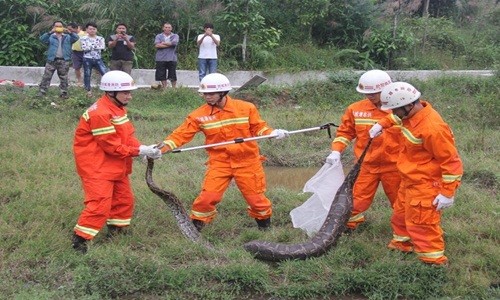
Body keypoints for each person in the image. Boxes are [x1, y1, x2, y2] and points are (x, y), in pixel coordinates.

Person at [158, 73, 290, 231]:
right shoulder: (198, 116)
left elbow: (258, 128)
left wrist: (273, 133)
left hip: (247, 161)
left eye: (211, 94)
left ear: (223, 92)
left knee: (256, 200)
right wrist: (162, 147)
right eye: (205, 94)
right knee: (207, 198)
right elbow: (180, 135)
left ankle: (265, 230)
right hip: (219, 162)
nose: (207, 97)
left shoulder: (246, 108)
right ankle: (195, 230)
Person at [369, 82, 463, 265]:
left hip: (426, 185)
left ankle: (432, 263)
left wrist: (447, 192)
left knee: (422, 225)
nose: (392, 114)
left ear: (408, 105)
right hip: (409, 180)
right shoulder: (411, 115)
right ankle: (402, 246)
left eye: (395, 110)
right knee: (400, 215)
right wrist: (382, 124)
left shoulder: (432, 128)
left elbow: (451, 162)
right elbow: (397, 119)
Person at [71, 71, 162, 254]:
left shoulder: (117, 108)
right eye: (126, 92)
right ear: (111, 92)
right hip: (96, 167)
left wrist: (143, 149)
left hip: (114, 165)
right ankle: (80, 239)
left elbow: (126, 137)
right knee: (99, 205)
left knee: (124, 200)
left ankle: (116, 231)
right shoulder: (100, 113)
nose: (130, 95)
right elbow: (112, 147)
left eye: (130, 91)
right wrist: (139, 151)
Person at [326, 70, 400, 232]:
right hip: (366, 166)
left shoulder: (401, 108)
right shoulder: (355, 109)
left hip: (396, 167)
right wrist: (336, 151)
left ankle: (406, 234)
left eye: (374, 93)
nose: (370, 96)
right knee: (356, 201)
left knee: (401, 202)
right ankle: (349, 228)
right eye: (367, 93)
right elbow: (345, 133)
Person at [38, 21, 79, 99]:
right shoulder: (51, 36)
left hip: (64, 60)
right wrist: (50, 32)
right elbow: (42, 39)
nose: (58, 28)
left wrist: (70, 32)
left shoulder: (67, 37)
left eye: (60, 26)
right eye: (56, 26)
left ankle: (64, 93)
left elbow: (76, 38)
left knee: (64, 78)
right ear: (53, 27)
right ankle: (42, 92)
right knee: (46, 77)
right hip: (51, 60)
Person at [80, 22, 108, 98]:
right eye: (90, 29)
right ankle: (88, 90)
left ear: (96, 30)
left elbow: (102, 47)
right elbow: (84, 48)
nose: (92, 30)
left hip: (98, 58)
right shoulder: (83, 38)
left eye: (94, 29)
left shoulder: (101, 38)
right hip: (87, 59)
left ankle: (108, 90)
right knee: (87, 74)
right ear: (87, 30)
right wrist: (96, 46)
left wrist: (90, 46)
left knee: (105, 73)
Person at [154, 22, 179, 88]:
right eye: (166, 27)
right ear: (163, 28)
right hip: (160, 58)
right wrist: (169, 44)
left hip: (172, 58)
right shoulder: (159, 36)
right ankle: (164, 88)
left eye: (169, 27)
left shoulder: (175, 36)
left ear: (171, 28)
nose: (167, 28)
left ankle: (174, 89)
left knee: (172, 74)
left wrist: (163, 43)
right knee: (161, 74)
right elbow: (157, 45)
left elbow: (174, 43)